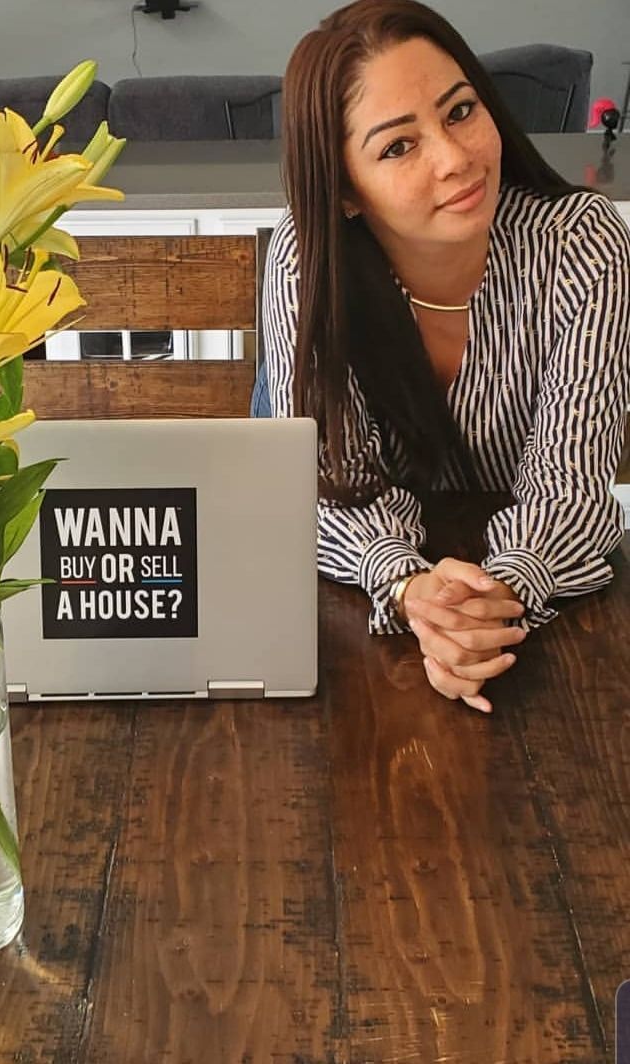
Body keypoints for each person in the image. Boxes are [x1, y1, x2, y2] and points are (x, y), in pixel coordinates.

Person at [253, 0, 630, 713]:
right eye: (398, 147)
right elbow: (328, 490)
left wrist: (491, 602)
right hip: (357, 634)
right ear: (344, 191)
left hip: (535, 629)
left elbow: (573, 491)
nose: (455, 158)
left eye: (459, 111)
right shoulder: (309, 262)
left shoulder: (583, 245)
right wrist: (411, 589)